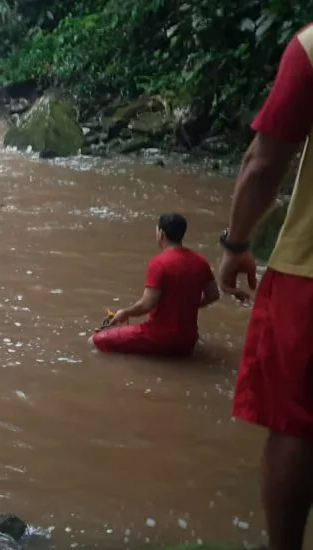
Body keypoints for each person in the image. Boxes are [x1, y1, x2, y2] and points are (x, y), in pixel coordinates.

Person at [218, 22, 313, 550]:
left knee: (297, 424)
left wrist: (235, 245)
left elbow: (263, 163)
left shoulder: (311, 47)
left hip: (309, 269)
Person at [90, 213, 220, 356]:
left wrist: (125, 313)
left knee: (96, 340)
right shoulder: (201, 262)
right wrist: (190, 305)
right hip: (188, 340)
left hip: (159, 337)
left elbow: (147, 304)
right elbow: (213, 295)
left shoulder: (159, 263)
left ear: (161, 234)